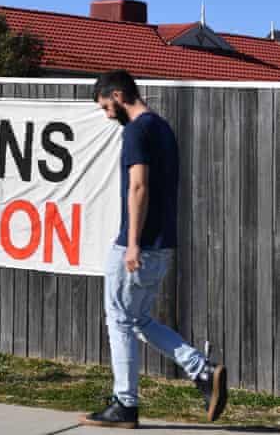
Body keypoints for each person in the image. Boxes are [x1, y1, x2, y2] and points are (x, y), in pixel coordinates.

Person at [80, 70, 227, 429]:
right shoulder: (162, 128)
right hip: (163, 244)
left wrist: (132, 243)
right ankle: (201, 370)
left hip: (139, 244)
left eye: (105, 107)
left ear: (117, 95)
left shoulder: (136, 130)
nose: (107, 115)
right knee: (138, 320)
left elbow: (139, 187)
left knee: (119, 322)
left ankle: (125, 405)